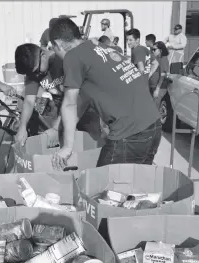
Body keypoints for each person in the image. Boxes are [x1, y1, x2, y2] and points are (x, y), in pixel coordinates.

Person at [49, 18, 162, 170]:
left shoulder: (73, 56)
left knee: (102, 188)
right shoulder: (99, 47)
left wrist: (67, 148)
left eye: (53, 48)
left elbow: (69, 104)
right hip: (153, 126)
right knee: (133, 186)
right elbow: (81, 102)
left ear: (58, 43)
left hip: (130, 134)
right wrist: (58, 129)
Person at [14, 43, 64, 148]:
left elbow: (73, 99)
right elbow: (29, 101)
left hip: (81, 104)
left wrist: (56, 128)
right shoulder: (33, 71)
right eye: (31, 74)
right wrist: (22, 127)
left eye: (37, 72)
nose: (36, 76)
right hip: (61, 109)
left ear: (43, 55)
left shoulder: (62, 60)